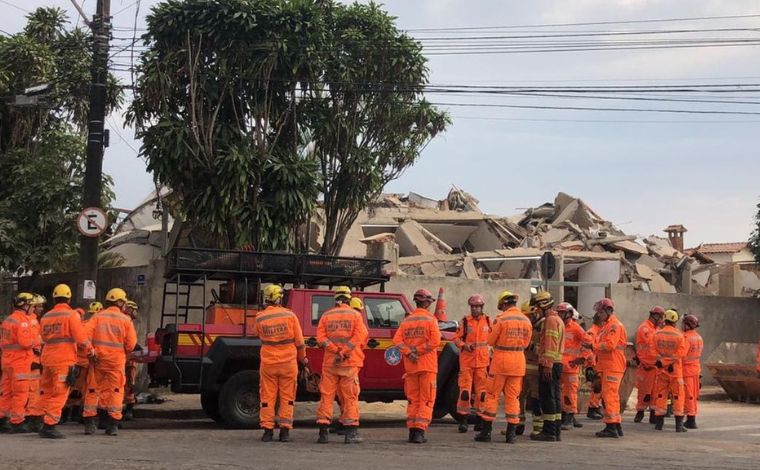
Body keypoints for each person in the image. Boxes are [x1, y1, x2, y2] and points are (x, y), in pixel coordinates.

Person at [476, 291, 530, 444]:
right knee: (513, 397)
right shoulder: (526, 320)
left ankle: (486, 433)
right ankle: (511, 435)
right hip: (518, 362)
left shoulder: (501, 319)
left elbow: (491, 340)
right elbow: (526, 343)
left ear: (504, 304)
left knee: (492, 395)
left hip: (500, 362)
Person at [254, 285, 307, 442]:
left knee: (267, 397)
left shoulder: (260, 317)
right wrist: (303, 359)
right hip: (288, 364)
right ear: (279, 298)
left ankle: (267, 431)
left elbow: (256, 334)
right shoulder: (290, 316)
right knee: (287, 397)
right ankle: (284, 431)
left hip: (268, 364)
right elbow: (300, 342)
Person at [38, 284, 92, 439]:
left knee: (46, 392)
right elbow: (81, 337)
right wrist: (91, 350)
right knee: (60, 393)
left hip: (47, 358)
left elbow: (42, 337)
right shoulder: (71, 315)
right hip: (63, 359)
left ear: (54, 298)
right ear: (69, 298)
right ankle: (50, 425)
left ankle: (43, 422)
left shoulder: (46, 316)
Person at [316, 286, 368, 444]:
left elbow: (321, 338)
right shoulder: (355, 315)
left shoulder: (326, 315)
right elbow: (360, 336)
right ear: (349, 298)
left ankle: (323, 432)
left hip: (330, 363)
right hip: (348, 362)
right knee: (350, 397)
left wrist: (335, 350)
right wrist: (344, 352)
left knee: (326, 396)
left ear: (336, 298)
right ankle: (351, 433)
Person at [83, 288, 137, 436]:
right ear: (120, 302)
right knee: (116, 391)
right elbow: (131, 345)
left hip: (98, 359)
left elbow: (85, 336)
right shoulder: (126, 320)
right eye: (124, 302)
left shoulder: (97, 317)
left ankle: (89, 423)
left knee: (93, 389)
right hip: (116, 361)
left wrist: (91, 351)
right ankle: (112, 425)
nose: (125, 305)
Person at [392, 288, 441, 444]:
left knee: (413, 400)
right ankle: (419, 432)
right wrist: (418, 351)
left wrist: (409, 352)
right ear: (427, 303)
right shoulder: (431, 320)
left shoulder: (407, 321)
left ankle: (412, 432)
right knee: (426, 400)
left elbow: (397, 341)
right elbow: (435, 342)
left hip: (411, 367)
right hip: (427, 366)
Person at [0, 292, 40, 433]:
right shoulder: (22, 321)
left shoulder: (8, 320)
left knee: (6, 392)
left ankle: (2, 420)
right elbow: (25, 342)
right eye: (31, 305)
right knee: (20, 393)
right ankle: (17, 422)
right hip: (20, 362)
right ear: (25, 305)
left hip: (7, 361)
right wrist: (38, 340)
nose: (33, 308)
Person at [589, 298, 628, 438]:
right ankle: (616, 425)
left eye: (600, 312)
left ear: (608, 311)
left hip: (613, 365)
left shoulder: (613, 326)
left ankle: (611, 426)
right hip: (609, 365)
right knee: (612, 396)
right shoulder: (607, 326)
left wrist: (593, 346)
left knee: (609, 396)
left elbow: (609, 345)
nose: (598, 315)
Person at [453, 294, 491, 433]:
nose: (475, 309)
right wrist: (464, 345)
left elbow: (493, 338)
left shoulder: (488, 321)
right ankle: (463, 420)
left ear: (482, 307)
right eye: (473, 307)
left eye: (477, 307)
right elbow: (456, 338)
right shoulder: (465, 321)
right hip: (467, 362)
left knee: (482, 393)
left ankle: (480, 420)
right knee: (464, 392)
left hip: (482, 363)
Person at [530, 291, 565, 442]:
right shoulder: (557, 320)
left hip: (549, 365)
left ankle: (549, 431)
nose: (536, 311)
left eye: (537, 307)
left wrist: (547, 365)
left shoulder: (550, 321)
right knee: (555, 398)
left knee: (547, 398)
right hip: (556, 364)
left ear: (543, 305)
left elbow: (550, 345)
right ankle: (555, 430)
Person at [651, 309, 688, 432]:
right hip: (675, 371)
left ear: (665, 320)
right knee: (678, 397)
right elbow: (681, 353)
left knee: (661, 395)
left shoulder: (656, 334)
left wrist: (662, 362)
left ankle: (659, 424)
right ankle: (679, 425)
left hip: (661, 371)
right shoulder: (679, 335)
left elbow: (652, 351)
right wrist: (669, 362)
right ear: (675, 321)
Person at [557, 302, 590, 431]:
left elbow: (588, 342)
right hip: (559, 366)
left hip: (570, 367)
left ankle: (569, 418)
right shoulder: (557, 326)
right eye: (559, 312)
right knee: (560, 393)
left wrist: (583, 358)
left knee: (570, 393)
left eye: (562, 313)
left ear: (569, 314)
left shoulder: (576, 328)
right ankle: (566, 416)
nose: (560, 315)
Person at [633, 306, 664, 424]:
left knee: (655, 393)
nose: (661, 320)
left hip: (655, 366)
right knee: (644, 392)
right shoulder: (645, 328)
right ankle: (639, 413)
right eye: (660, 317)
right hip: (646, 366)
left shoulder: (655, 329)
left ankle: (653, 415)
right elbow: (650, 346)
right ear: (655, 316)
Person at [24, 294, 46, 432]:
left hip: (34, 359)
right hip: (32, 360)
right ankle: (31, 418)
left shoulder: (33, 320)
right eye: (38, 306)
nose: (41, 309)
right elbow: (30, 342)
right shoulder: (31, 321)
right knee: (32, 391)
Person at [681, 314, 703, 429]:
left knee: (688, 395)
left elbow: (682, 354)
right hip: (695, 370)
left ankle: (690, 419)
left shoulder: (686, 337)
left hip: (686, 370)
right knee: (693, 395)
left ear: (688, 325)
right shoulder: (698, 337)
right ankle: (692, 416)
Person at [123, 300, 140, 421]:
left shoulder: (125, 321)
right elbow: (130, 342)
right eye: (134, 310)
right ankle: (128, 409)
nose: (136, 313)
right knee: (129, 384)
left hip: (123, 358)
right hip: (126, 359)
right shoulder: (126, 321)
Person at [585, 318, 603, 420]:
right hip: (594, 364)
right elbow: (588, 349)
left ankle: (596, 407)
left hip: (599, 363)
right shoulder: (592, 332)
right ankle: (592, 408)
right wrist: (591, 365)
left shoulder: (600, 331)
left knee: (599, 388)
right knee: (596, 388)